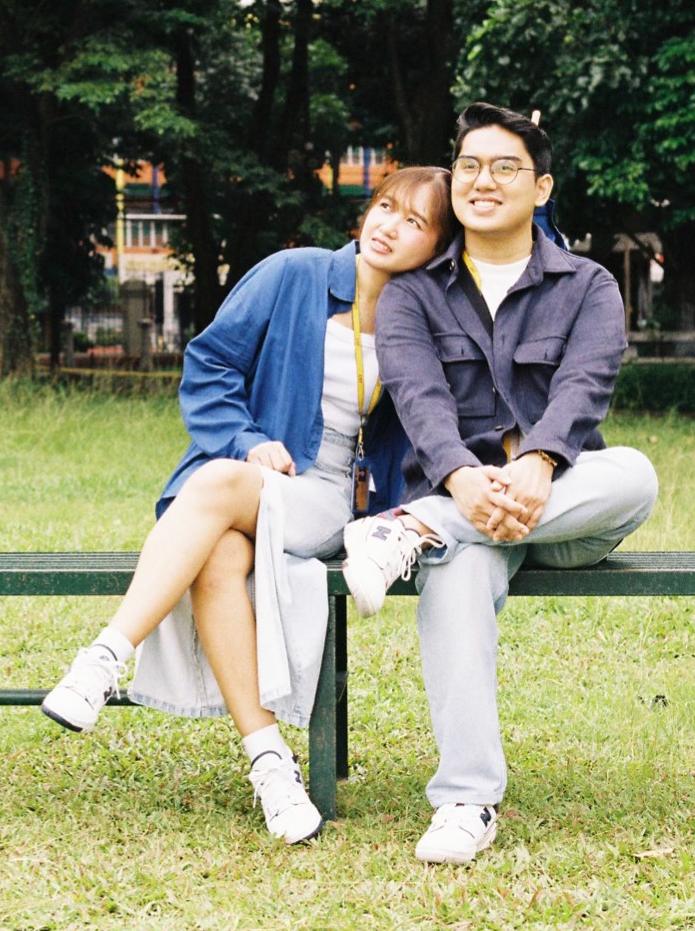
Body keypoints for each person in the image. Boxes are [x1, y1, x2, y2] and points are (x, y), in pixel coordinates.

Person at [41, 167, 456, 845]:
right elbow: (210, 366)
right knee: (218, 555)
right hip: (264, 473)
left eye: (415, 222)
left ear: (437, 244)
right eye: (384, 208)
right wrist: (249, 440)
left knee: (212, 486)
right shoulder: (294, 275)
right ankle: (271, 767)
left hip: (333, 502)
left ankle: (108, 654)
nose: (388, 227)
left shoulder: (429, 317)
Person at [341, 102, 658, 865]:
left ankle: (415, 530)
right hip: (466, 504)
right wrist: (458, 477)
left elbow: (585, 388)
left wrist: (538, 464)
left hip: (565, 513)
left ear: (541, 188)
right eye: (471, 167)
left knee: (635, 474)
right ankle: (466, 802)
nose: (485, 180)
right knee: (458, 571)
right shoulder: (415, 291)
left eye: (505, 167)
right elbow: (418, 399)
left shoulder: (587, 286)